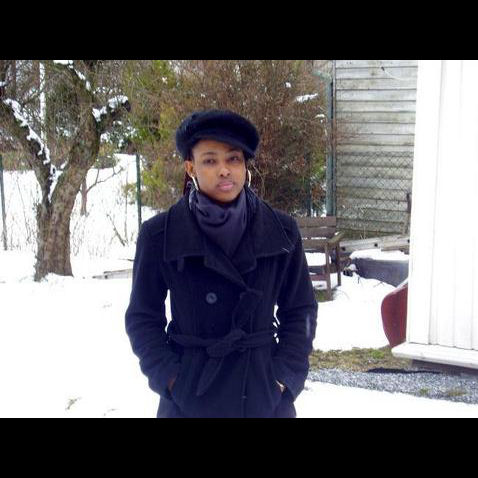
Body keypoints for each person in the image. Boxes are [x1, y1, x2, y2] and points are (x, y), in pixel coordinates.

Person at [125, 109, 318, 418]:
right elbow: (142, 317)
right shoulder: (160, 235)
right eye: (210, 161)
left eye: (233, 159)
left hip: (262, 396)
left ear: (244, 165)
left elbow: (301, 310)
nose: (224, 170)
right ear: (190, 167)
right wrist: (171, 379)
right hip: (191, 397)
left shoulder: (281, 231)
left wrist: (283, 378)